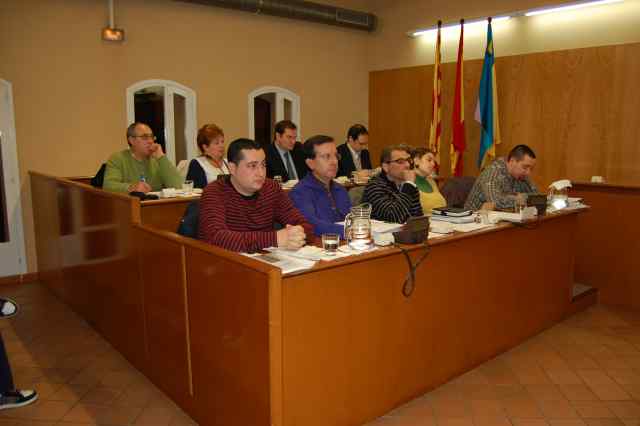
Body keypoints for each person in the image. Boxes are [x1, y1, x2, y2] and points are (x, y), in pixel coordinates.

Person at [198, 138, 313, 252]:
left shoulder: (271, 188)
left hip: (267, 257)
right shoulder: (214, 192)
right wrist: (274, 239)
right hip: (229, 260)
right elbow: (215, 237)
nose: (261, 173)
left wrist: (296, 234)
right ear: (232, 168)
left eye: (263, 165)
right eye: (252, 166)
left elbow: (305, 225)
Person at [289, 135, 352, 238]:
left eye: (336, 156)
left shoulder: (340, 189)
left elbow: (351, 219)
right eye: (326, 156)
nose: (334, 162)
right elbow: (312, 225)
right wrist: (351, 231)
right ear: (310, 163)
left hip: (347, 243)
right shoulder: (300, 192)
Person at [103, 122, 184, 194]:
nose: (150, 141)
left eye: (151, 137)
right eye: (145, 137)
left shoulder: (158, 160)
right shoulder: (118, 158)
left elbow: (177, 186)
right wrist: (132, 188)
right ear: (131, 140)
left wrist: (161, 157)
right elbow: (108, 185)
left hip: (155, 204)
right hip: (130, 204)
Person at [464, 144, 539, 211]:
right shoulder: (493, 172)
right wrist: (519, 198)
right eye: (525, 167)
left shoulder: (521, 175)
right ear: (512, 161)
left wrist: (522, 197)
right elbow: (496, 202)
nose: (528, 172)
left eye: (531, 169)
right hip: (474, 219)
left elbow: (537, 198)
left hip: (501, 218)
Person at [362, 144, 423, 223]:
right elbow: (392, 218)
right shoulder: (374, 186)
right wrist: (409, 186)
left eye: (408, 160)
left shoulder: (409, 185)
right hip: (383, 230)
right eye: (400, 162)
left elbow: (418, 218)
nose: (407, 165)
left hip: (407, 230)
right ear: (385, 167)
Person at [186, 124, 229, 189]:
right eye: (216, 143)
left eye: (222, 142)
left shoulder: (228, 162)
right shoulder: (197, 164)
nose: (221, 146)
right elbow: (194, 191)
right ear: (205, 147)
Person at [411, 148, 446, 214]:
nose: (433, 164)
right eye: (429, 160)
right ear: (416, 161)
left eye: (434, 161)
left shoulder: (431, 181)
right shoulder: (407, 182)